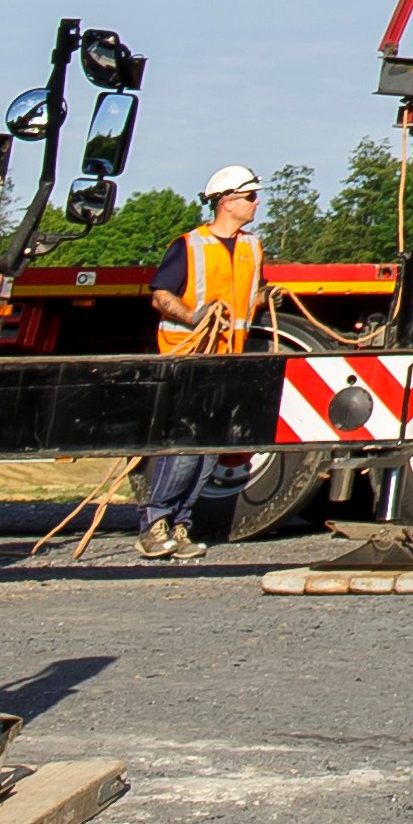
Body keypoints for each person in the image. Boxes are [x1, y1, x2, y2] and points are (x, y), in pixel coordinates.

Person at [137, 164, 265, 562]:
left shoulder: (252, 248)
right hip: (188, 358)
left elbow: (248, 299)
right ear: (227, 203)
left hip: (227, 361)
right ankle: (155, 525)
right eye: (250, 197)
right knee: (184, 448)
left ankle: (181, 526)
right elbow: (161, 296)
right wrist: (195, 316)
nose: (256, 203)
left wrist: (267, 297)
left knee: (209, 448)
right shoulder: (189, 246)